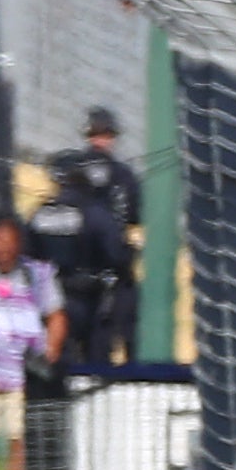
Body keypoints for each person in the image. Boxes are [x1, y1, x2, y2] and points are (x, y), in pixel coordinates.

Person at [34, 104, 143, 366]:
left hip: (59, 286)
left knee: (64, 353)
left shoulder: (44, 212)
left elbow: (31, 249)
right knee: (106, 351)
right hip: (104, 281)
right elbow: (131, 222)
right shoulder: (122, 177)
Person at [0, 212, 65, 464]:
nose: (4, 248)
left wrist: (50, 351)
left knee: (15, 439)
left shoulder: (35, 275)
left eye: (9, 241)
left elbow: (56, 315)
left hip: (20, 374)